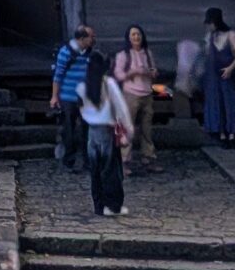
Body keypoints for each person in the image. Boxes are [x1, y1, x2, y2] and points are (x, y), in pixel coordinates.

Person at [78, 52, 134, 217]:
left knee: (95, 171)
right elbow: (120, 109)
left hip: (91, 132)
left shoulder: (82, 86)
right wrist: (128, 130)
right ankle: (113, 206)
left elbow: (81, 109)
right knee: (111, 170)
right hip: (107, 131)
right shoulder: (108, 83)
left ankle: (99, 206)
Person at [111, 24, 161, 171]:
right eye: (133, 35)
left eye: (138, 34)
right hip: (130, 94)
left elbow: (152, 68)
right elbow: (118, 74)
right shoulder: (123, 55)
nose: (136, 37)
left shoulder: (147, 53)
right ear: (128, 38)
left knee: (147, 128)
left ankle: (148, 157)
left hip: (147, 93)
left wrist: (152, 72)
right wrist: (131, 73)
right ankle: (124, 160)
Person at [49, 24, 96, 172]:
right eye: (91, 37)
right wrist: (54, 96)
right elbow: (58, 75)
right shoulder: (66, 52)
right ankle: (69, 160)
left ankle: (88, 161)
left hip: (85, 98)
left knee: (86, 131)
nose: (93, 39)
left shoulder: (89, 53)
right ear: (82, 38)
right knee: (68, 130)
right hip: (68, 97)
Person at [200, 8, 235, 146]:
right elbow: (207, 53)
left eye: (211, 23)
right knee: (217, 102)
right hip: (213, 75)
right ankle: (221, 132)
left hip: (227, 72)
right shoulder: (210, 36)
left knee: (230, 101)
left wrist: (230, 68)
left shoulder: (231, 34)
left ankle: (233, 133)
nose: (210, 26)